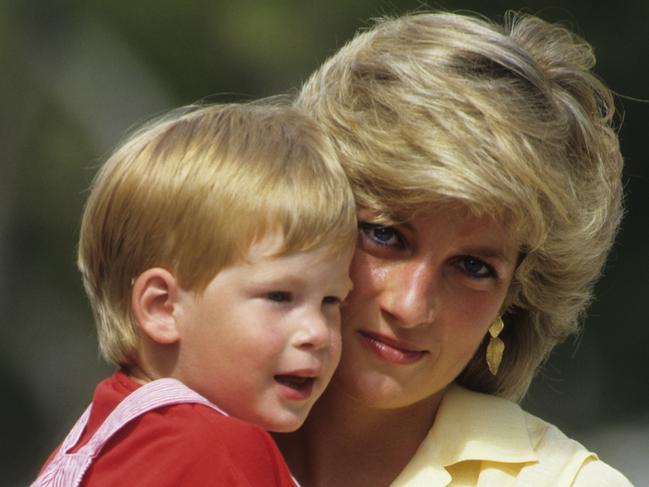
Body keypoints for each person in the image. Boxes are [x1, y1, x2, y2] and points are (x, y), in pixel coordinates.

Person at [275, 11, 633, 486]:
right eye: (384, 235)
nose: (410, 306)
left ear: (515, 298)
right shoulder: (160, 415)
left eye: (472, 266)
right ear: (312, 205)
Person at [32, 102, 357, 486]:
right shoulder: (216, 450)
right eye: (280, 296)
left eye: (331, 301)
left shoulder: (99, 440)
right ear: (162, 307)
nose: (317, 332)